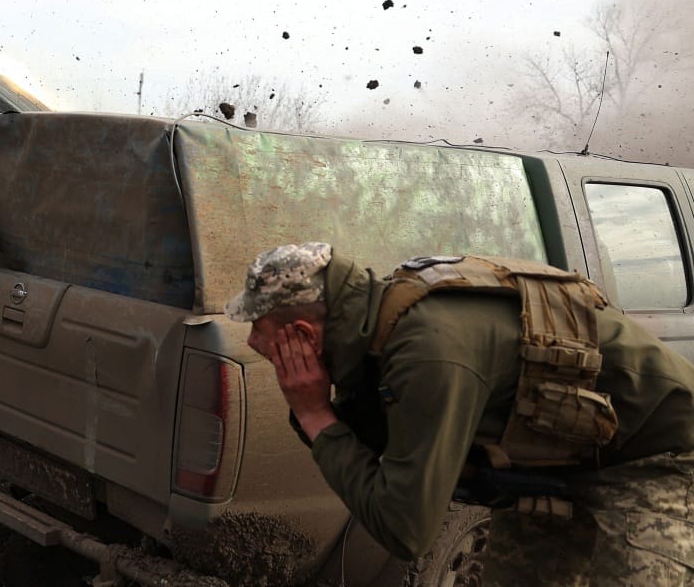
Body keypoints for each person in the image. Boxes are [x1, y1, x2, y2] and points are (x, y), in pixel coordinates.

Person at [225, 242, 694, 585]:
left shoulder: (427, 352)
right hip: (560, 467)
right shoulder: (376, 332)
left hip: (661, 459)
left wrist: (315, 417)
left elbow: (406, 530)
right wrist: (317, 409)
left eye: (258, 330)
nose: (251, 344)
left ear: (303, 332)